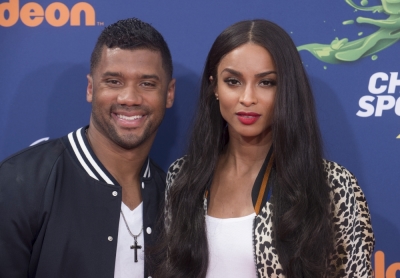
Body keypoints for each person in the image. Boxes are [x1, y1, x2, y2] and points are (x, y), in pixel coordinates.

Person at [157, 20, 374, 278]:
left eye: (266, 83)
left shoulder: (332, 185)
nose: (247, 98)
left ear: (286, 89)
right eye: (233, 81)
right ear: (214, 87)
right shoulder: (183, 177)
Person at [0, 18, 175, 278]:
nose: (129, 98)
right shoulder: (22, 181)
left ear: (169, 94)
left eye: (147, 84)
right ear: (91, 88)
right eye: (114, 81)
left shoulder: (173, 195)